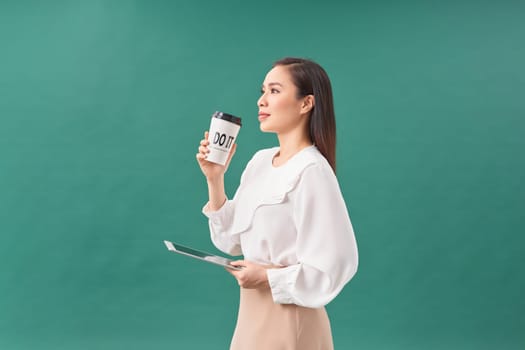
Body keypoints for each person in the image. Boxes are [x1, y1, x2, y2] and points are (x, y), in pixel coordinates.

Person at [196, 57, 358, 350]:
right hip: (250, 316)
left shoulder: (312, 170)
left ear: (306, 103)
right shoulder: (260, 162)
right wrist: (215, 179)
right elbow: (230, 241)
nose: (261, 101)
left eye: (274, 91)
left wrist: (268, 277)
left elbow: (334, 266)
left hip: (290, 319)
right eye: (262, 91)